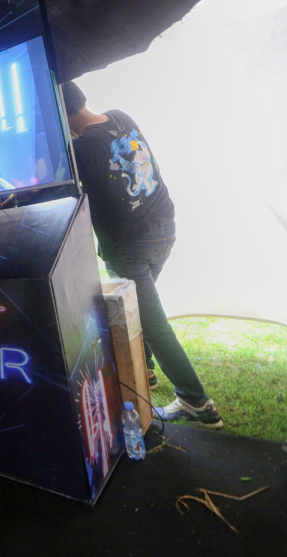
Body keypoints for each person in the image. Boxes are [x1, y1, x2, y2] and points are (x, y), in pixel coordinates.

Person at [60, 81, 222, 428]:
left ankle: (196, 402)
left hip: (129, 247)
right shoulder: (120, 116)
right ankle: (145, 369)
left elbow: (61, 193)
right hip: (164, 229)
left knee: (152, 322)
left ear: (61, 113)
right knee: (142, 307)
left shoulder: (80, 148)